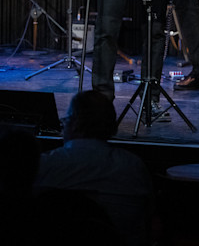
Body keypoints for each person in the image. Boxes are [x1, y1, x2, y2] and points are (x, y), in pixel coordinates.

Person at [33, 90, 153, 246]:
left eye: (66, 120)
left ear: (75, 124)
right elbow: (149, 220)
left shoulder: (45, 165)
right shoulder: (133, 166)